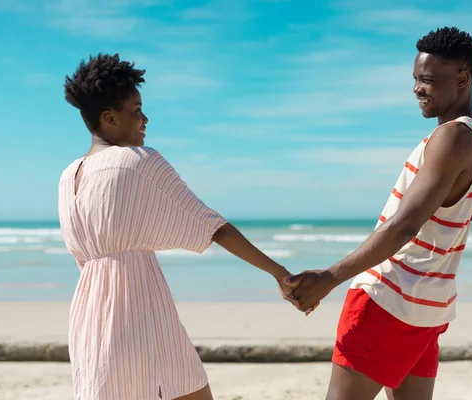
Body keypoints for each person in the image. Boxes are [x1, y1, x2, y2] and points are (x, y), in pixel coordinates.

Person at [58, 53, 302, 400]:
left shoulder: (68, 178)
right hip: (138, 307)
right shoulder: (137, 162)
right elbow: (211, 226)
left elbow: (83, 257)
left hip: (89, 316)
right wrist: (280, 273)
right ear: (109, 117)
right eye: (136, 110)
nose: (145, 118)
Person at [288, 26, 472, 400]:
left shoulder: (452, 137)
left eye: (427, 80)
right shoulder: (470, 136)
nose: (416, 89)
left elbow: (403, 226)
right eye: (415, 79)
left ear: (462, 79)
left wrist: (329, 277)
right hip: (426, 306)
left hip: (388, 300)